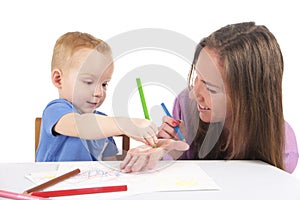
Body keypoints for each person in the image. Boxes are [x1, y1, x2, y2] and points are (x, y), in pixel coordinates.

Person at [120, 22, 299, 173]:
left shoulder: (283, 148)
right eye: (197, 77)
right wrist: (169, 151)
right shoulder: (186, 105)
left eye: (211, 89)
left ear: (251, 96)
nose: (194, 94)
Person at [36, 32, 158, 162]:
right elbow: (81, 125)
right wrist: (125, 124)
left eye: (104, 84)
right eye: (88, 82)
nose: (99, 92)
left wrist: (140, 155)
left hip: (90, 181)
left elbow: (111, 164)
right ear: (58, 79)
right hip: (55, 181)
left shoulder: (103, 123)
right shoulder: (55, 110)